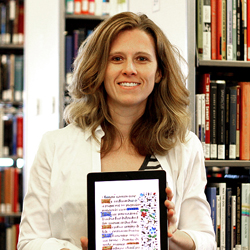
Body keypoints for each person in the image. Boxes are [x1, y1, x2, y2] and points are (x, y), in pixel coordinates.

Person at [17, 11, 216, 250]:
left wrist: (170, 235)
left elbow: (205, 240)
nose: (129, 69)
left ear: (159, 71)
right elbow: (29, 242)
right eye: (117, 58)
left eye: (142, 59)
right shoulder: (54, 146)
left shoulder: (184, 145)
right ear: (99, 68)